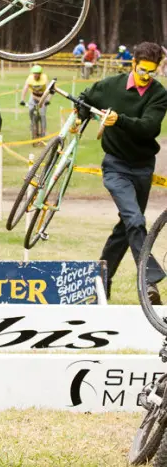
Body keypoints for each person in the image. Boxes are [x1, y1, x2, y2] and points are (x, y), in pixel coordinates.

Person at [79, 42, 167, 303]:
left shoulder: (159, 94)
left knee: (126, 228)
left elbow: (149, 128)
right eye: (143, 71)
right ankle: (149, 280)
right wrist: (82, 114)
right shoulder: (111, 85)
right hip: (116, 166)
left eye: (152, 72)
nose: (147, 77)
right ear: (133, 64)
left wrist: (119, 119)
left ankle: (99, 287)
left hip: (142, 167)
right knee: (135, 220)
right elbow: (85, 98)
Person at [20, 64, 49, 141]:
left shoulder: (44, 79)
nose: (35, 75)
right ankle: (32, 123)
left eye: (37, 73)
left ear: (40, 74)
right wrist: (22, 99)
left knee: (42, 115)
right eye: (34, 73)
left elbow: (49, 89)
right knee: (30, 110)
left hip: (43, 96)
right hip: (33, 96)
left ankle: (43, 133)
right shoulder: (30, 79)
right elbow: (25, 88)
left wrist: (47, 100)